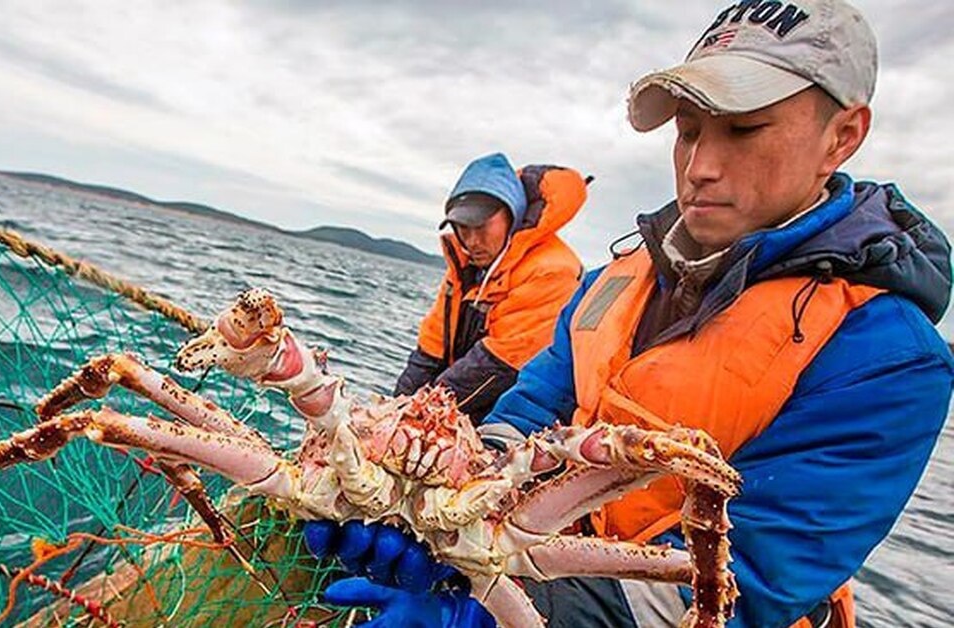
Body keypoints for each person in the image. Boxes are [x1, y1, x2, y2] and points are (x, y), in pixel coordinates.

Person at [306, 1, 954, 627]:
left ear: (842, 136)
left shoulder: (887, 356)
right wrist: (434, 513)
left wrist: (503, 609)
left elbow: (749, 580)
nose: (700, 167)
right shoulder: (606, 285)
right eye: (689, 131)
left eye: (744, 129)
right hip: (523, 560)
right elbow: (528, 413)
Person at [395, 152, 586, 423]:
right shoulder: (464, 270)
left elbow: (497, 365)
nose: (471, 241)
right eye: (462, 227)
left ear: (512, 215)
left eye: (481, 226)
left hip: (519, 423)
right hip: (458, 411)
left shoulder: (553, 270)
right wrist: (393, 412)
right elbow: (429, 352)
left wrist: (416, 416)